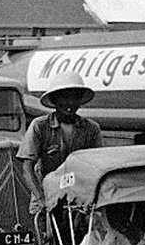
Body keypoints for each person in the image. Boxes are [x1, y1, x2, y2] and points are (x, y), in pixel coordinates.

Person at [18, 71, 103, 214]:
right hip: (46, 196)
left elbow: (98, 168)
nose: (70, 104)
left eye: (75, 98)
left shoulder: (91, 129)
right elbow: (27, 168)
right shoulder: (40, 126)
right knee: (46, 234)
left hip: (79, 199)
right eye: (65, 98)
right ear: (55, 100)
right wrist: (41, 198)